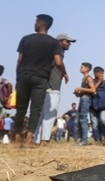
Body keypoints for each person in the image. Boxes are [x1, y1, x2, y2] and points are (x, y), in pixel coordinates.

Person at [13, 14, 66, 147]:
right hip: (41, 78)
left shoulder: (26, 39)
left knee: (21, 109)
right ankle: (28, 141)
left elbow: (19, 60)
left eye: (36, 22)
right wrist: (64, 72)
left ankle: (18, 139)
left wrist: (18, 77)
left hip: (24, 76)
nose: (34, 24)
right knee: (35, 110)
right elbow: (58, 62)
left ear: (40, 24)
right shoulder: (53, 42)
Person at [73, 62, 97, 146]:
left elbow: (93, 90)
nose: (80, 68)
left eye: (82, 67)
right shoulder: (84, 79)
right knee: (78, 120)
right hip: (82, 98)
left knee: (83, 119)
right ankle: (81, 139)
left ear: (87, 69)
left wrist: (80, 88)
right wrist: (78, 93)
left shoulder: (89, 78)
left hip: (86, 100)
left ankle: (84, 140)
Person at [90, 66, 105, 143]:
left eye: (102, 73)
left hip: (103, 105)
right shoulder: (91, 81)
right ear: (95, 74)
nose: (101, 75)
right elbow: (92, 89)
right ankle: (97, 139)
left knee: (103, 120)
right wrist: (99, 82)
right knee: (94, 123)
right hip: (93, 105)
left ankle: (104, 136)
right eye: (100, 73)